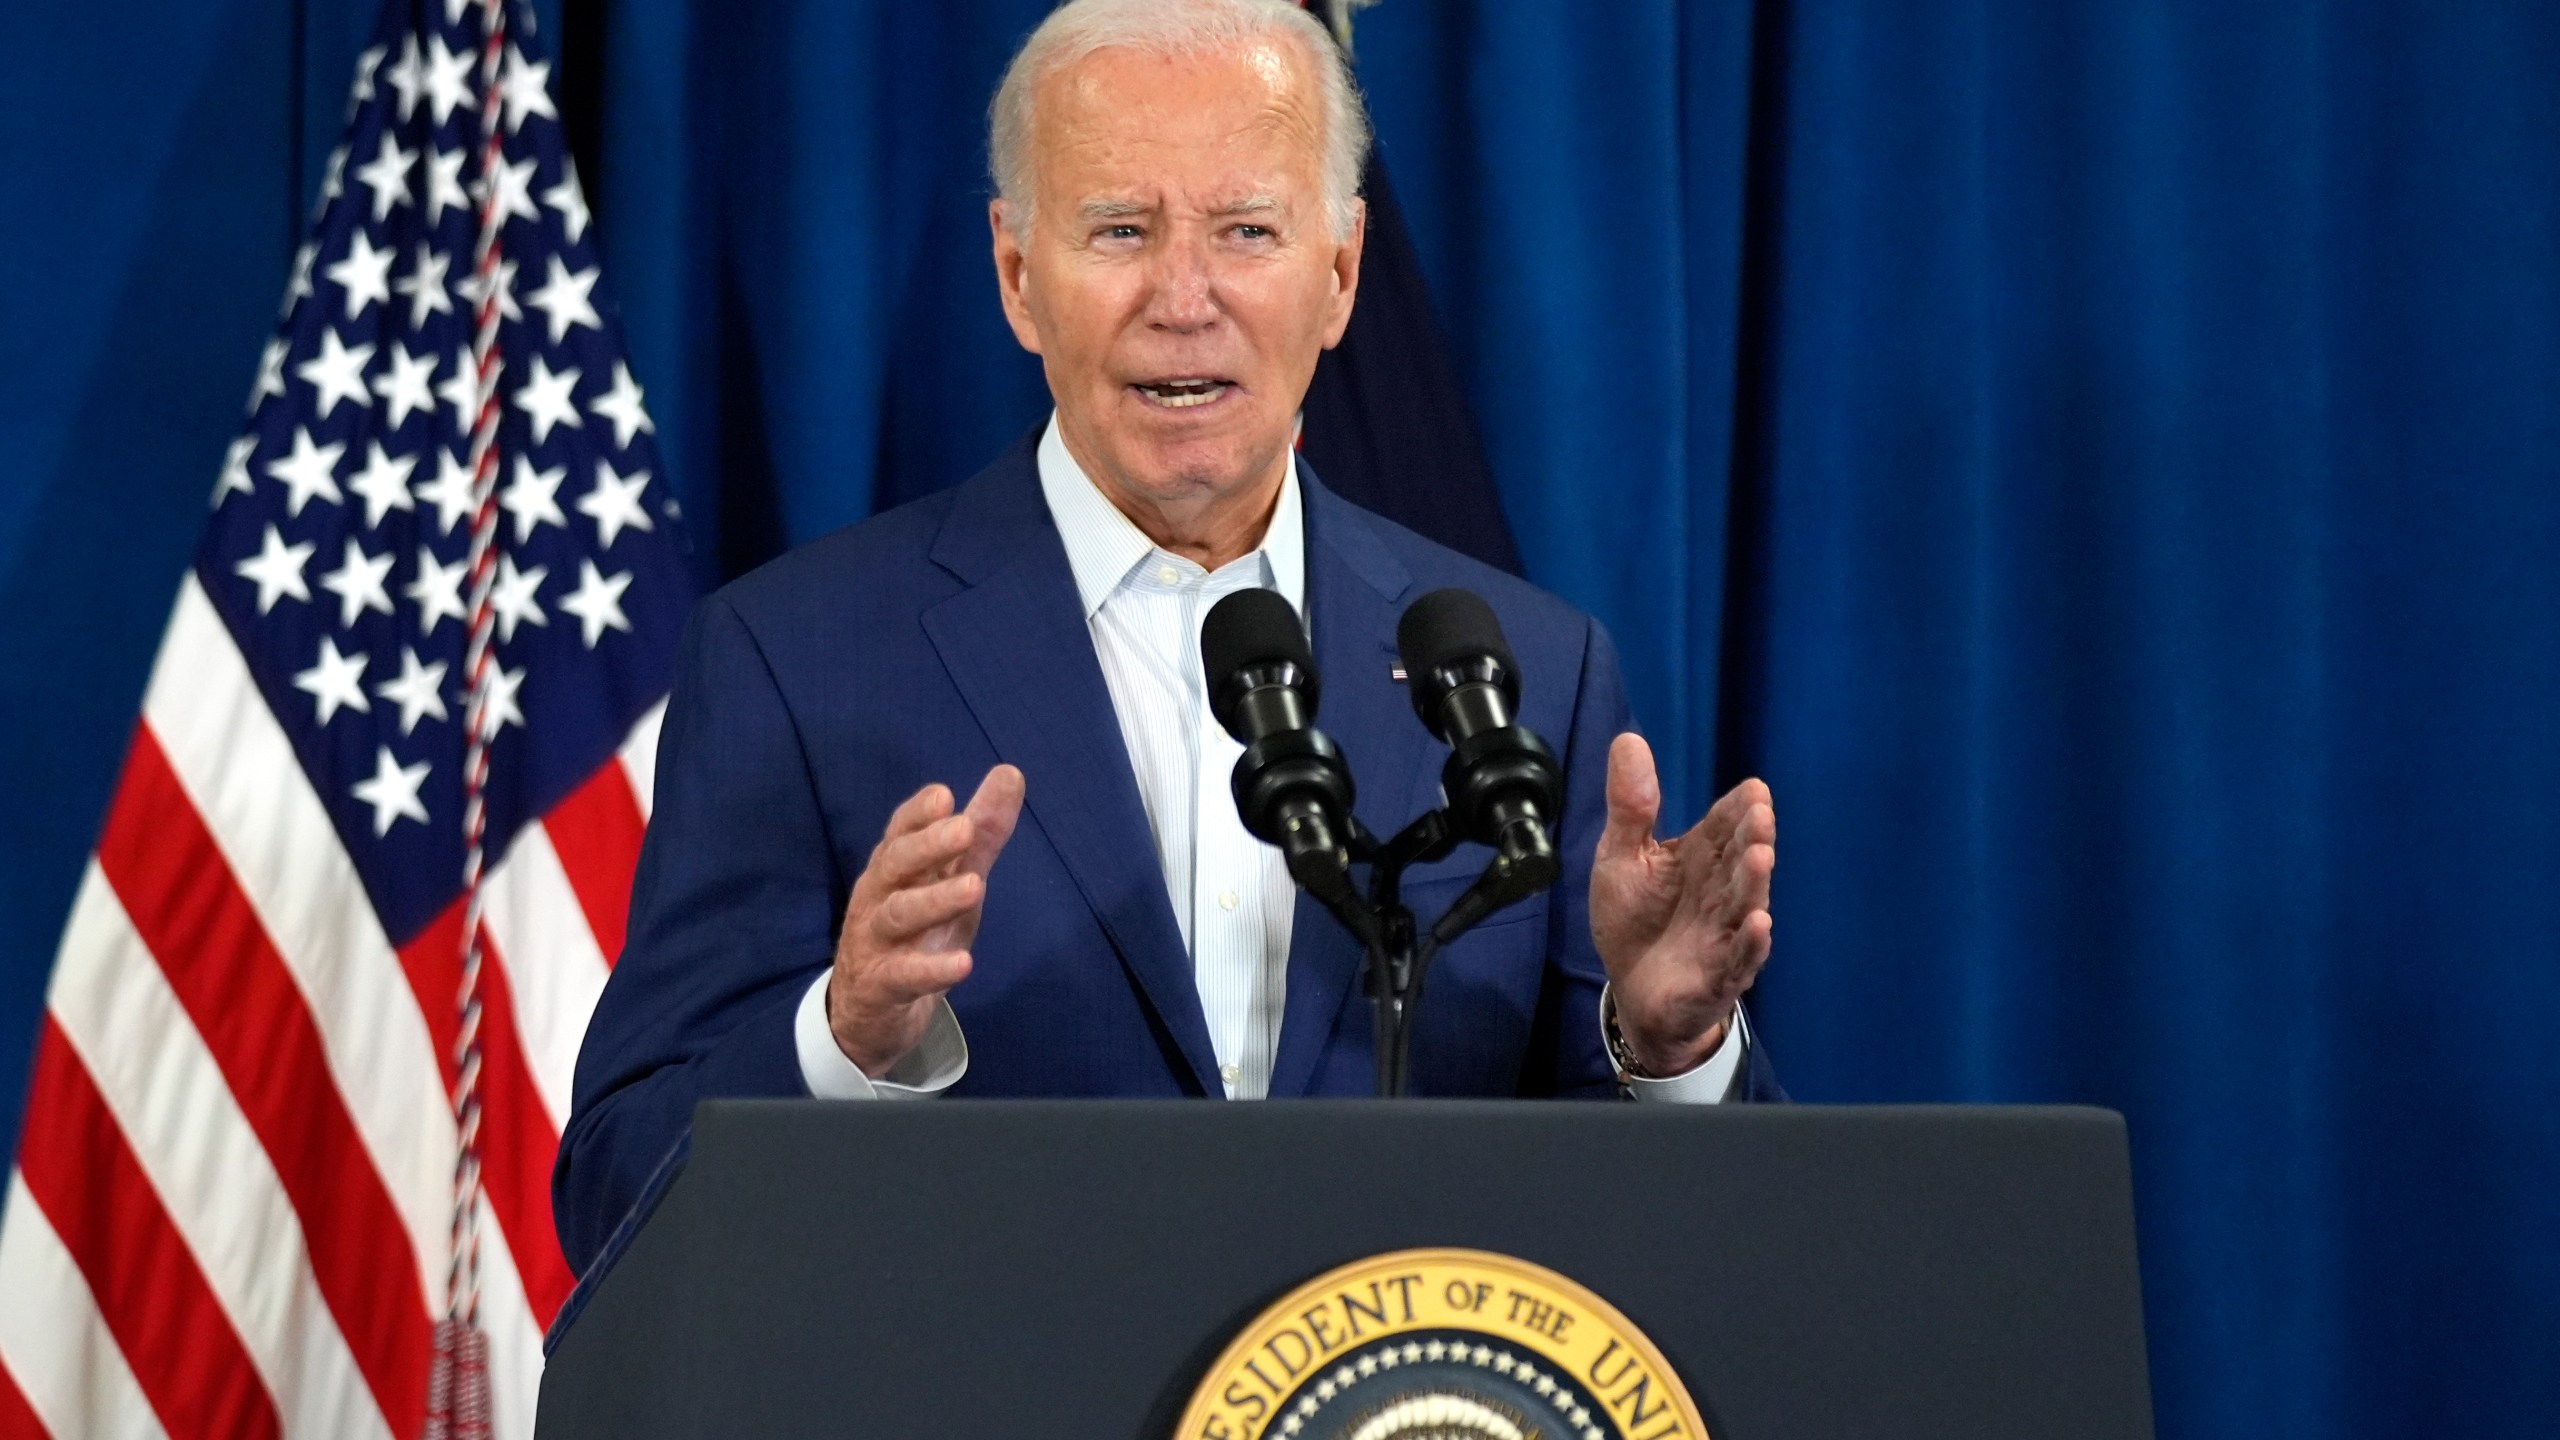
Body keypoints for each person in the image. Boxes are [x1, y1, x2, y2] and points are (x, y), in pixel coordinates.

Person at [554, 0, 1782, 1277]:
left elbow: (1691, 1258)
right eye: (1120, 231)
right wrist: (842, 1037)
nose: (1182, 299)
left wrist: (1670, 1051)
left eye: (1246, 231)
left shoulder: (1523, 672)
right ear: (1019, 277)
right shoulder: (796, 658)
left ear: (1340, 275)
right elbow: (614, 1192)